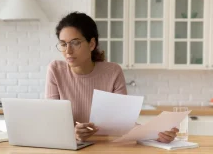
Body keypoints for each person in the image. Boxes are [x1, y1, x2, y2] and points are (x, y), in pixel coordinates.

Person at [45, 12, 178, 143]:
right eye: (63, 44)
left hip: (106, 147)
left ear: (91, 44)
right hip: (70, 148)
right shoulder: (56, 70)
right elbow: (51, 122)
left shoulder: (113, 72)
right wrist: (73, 132)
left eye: (75, 43)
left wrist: (157, 134)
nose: (68, 51)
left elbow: (124, 123)